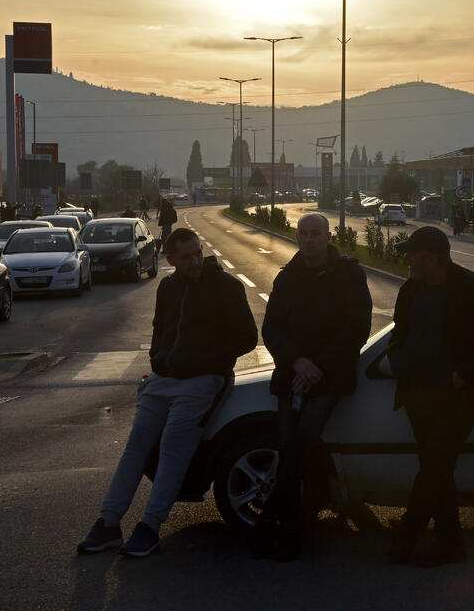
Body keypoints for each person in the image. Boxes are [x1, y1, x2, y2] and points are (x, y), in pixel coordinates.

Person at [77, 227, 257, 557]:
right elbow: (159, 329)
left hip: (203, 381)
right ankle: (109, 523)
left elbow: (247, 338)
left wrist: (207, 362)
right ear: (170, 259)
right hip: (163, 379)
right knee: (136, 448)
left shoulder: (225, 287)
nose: (194, 261)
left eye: (197, 253)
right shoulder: (168, 287)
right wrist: (159, 360)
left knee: (175, 446)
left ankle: (150, 526)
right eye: (185, 257)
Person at [385, 225, 474, 567]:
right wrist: (399, 362)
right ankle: (451, 545)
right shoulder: (410, 290)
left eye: (412, 254)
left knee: (435, 464)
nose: (407, 259)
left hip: (459, 397)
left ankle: (406, 540)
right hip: (418, 395)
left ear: (432, 258)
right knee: (436, 468)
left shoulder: (472, 289)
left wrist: (463, 374)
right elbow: (398, 335)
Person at [256, 213, 372, 562]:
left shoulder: (350, 274)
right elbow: (272, 329)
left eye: (315, 234)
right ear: (297, 236)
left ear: (328, 236)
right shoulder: (286, 278)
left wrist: (317, 365)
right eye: (303, 234)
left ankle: (279, 528)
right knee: (290, 448)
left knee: (301, 446)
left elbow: (356, 330)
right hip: (293, 374)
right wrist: (297, 362)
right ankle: (287, 524)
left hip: (330, 375)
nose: (308, 240)